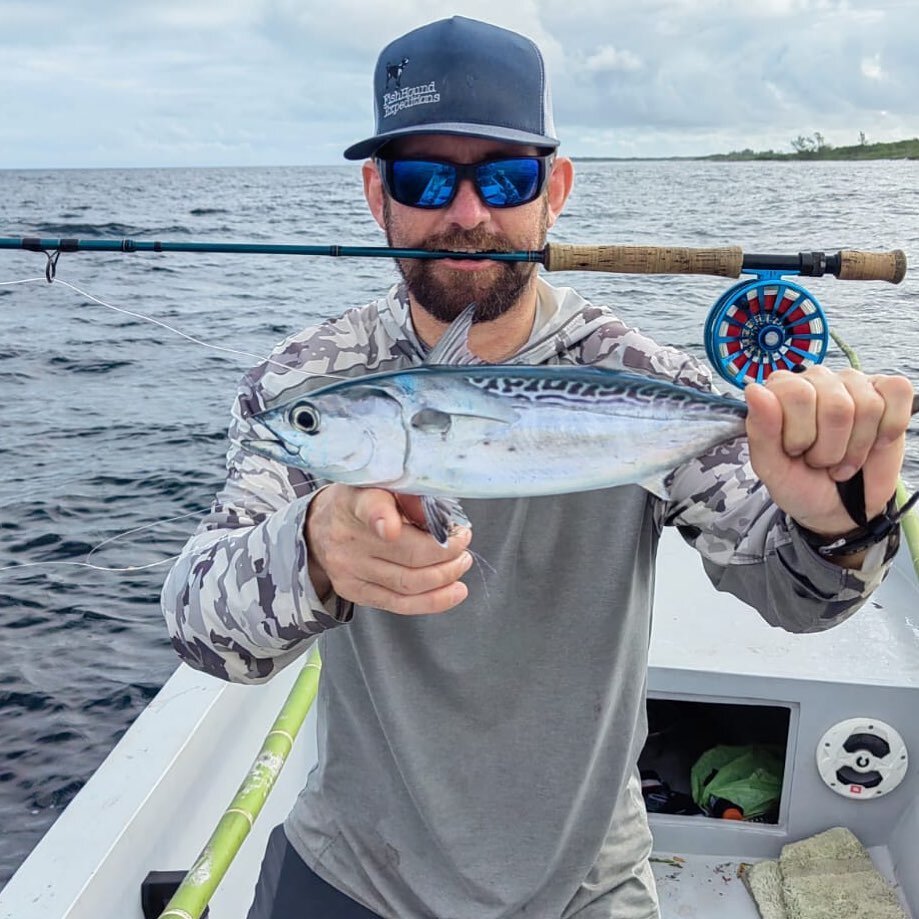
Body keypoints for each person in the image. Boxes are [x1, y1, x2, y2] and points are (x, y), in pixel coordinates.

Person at [161, 15, 915, 919]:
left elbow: (799, 601)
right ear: (377, 194)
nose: (466, 214)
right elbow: (201, 626)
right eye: (425, 176)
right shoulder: (308, 385)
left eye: (506, 176)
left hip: (585, 881)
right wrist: (311, 550)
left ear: (554, 189)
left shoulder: (643, 376)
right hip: (359, 867)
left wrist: (839, 524)